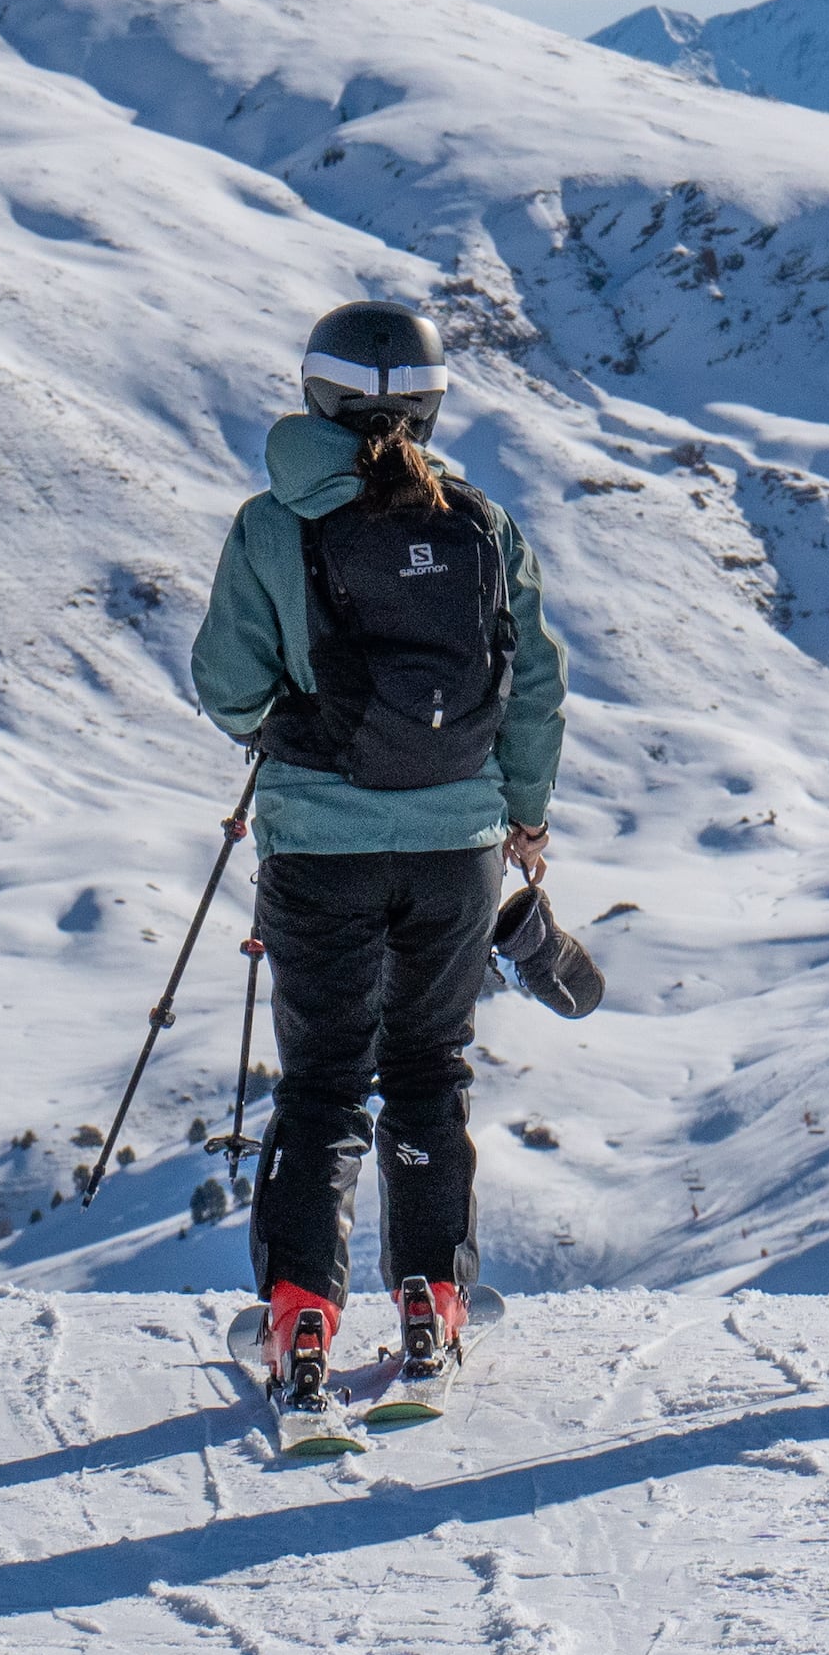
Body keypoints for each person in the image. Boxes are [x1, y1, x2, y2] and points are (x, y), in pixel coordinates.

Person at [188, 301, 567, 1415]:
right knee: (427, 1069)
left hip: (318, 846)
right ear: (430, 401)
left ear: (317, 392)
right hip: (458, 845)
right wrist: (525, 815)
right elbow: (533, 684)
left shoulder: (269, 525)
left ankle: (301, 1312)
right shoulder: (482, 522)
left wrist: (294, 726)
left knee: (320, 1082)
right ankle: (432, 1302)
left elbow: (228, 686)